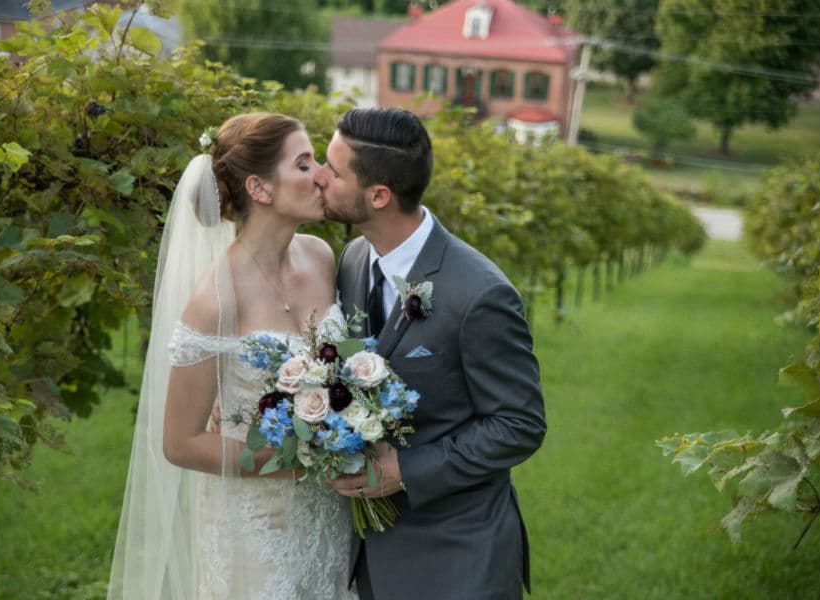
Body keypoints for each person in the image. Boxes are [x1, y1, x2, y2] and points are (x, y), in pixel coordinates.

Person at [107, 113, 356, 600]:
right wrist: (297, 459)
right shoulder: (215, 301)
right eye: (304, 164)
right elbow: (180, 443)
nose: (321, 175)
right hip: (253, 528)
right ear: (260, 189)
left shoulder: (321, 257)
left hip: (328, 518)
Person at [315, 107, 546, 600]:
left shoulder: (480, 294)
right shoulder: (354, 259)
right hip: (370, 558)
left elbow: (519, 425)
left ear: (378, 196)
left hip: (458, 559)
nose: (319, 177)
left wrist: (406, 471)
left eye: (332, 171)